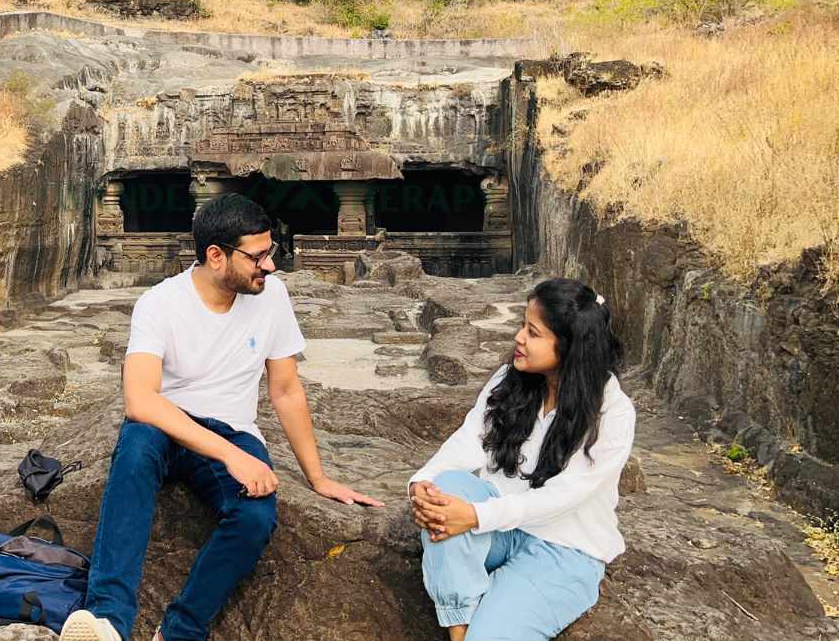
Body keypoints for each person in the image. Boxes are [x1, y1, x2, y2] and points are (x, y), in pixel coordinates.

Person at [62, 193, 383, 641]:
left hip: (234, 430)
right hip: (166, 426)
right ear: (216, 256)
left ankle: (180, 630)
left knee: (255, 518)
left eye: (272, 252)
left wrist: (318, 478)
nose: (269, 266)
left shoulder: (272, 297)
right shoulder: (159, 304)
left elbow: (286, 390)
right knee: (135, 450)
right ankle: (107, 620)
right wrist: (231, 457)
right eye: (258, 256)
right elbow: (140, 400)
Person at [409, 278, 635, 641]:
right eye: (522, 325)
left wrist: (476, 516)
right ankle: (459, 627)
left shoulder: (612, 411)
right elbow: (469, 439)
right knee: (444, 490)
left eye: (533, 332)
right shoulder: (510, 379)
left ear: (569, 346)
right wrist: (423, 482)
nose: (518, 338)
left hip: (563, 549)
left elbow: (565, 495)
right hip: (500, 529)